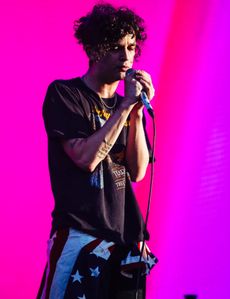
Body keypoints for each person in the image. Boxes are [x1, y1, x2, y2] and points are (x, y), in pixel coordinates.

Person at [37, 3, 157, 299]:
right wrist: (125, 106)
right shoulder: (65, 94)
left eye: (131, 47)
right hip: (81, 235)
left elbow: (138, 171)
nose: (127, 57)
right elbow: (85, 158)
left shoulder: (127, 107)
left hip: (125, 241)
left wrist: (137, 113)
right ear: (94, 50)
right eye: (117, 47)